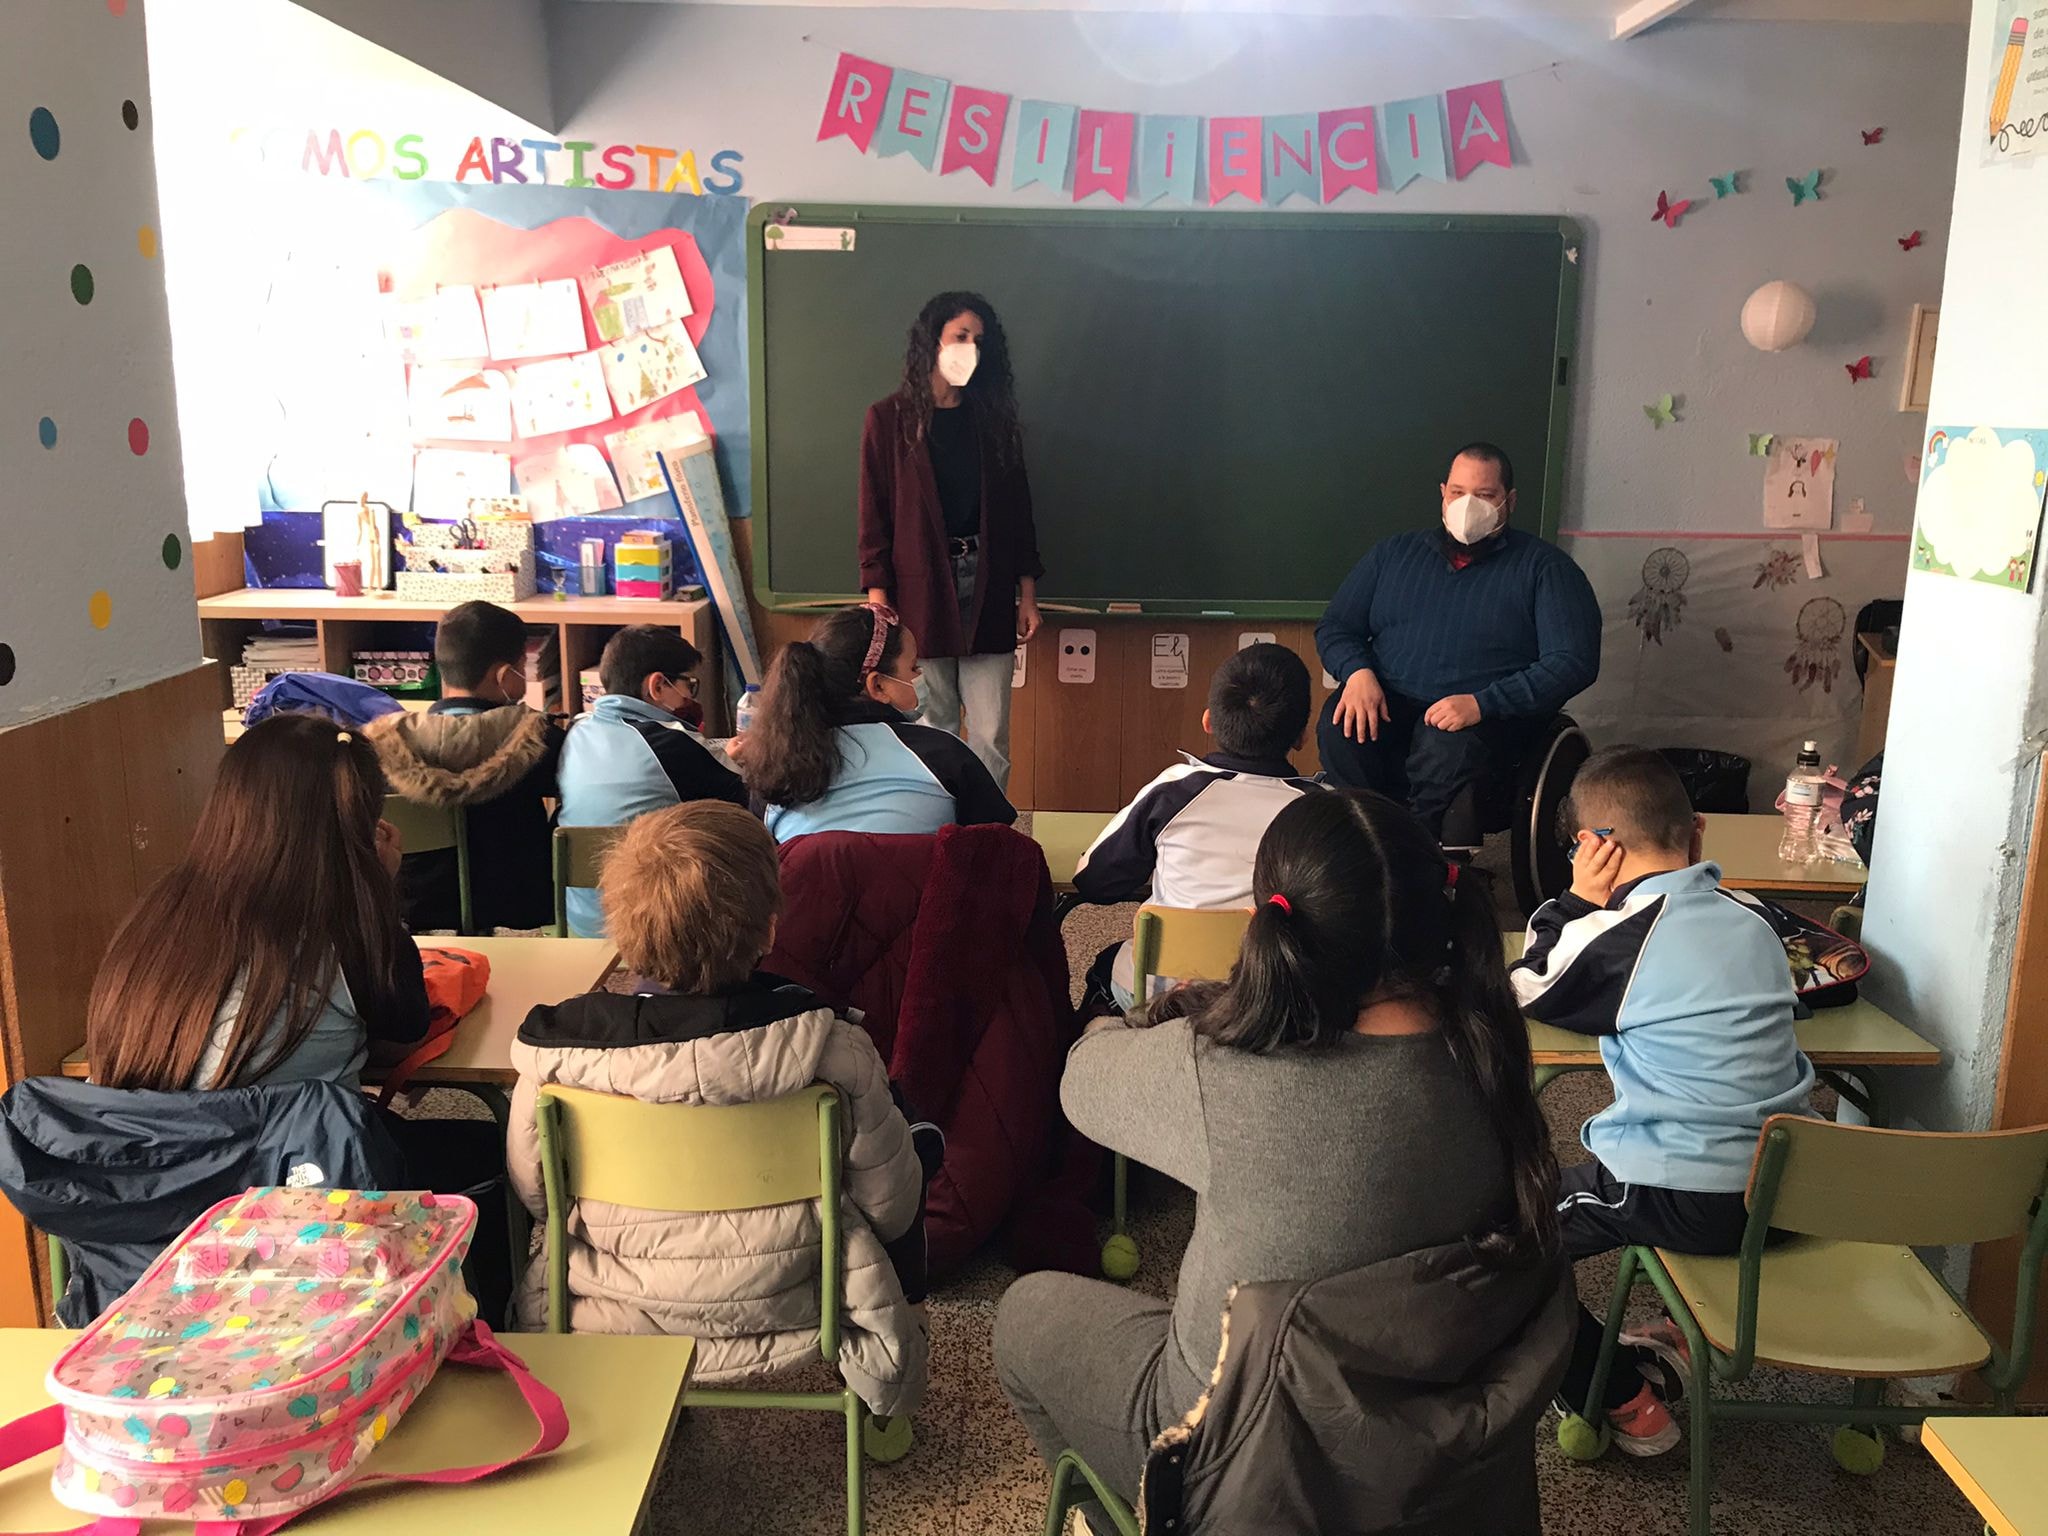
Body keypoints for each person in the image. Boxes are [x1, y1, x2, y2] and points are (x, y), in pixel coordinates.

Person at [996, 790, 1561, 1513]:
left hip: (1241, 1447)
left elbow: (1081, 1082)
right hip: (1436, 1447)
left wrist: (1164, 1016)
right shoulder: (1495, 1059)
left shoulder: (1224, 1072)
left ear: (1271, 927)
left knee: (1025, 1314)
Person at [506, 801, 932, 1419]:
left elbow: (537, 1196)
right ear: (769, 930)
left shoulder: (556, 1063)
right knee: (910, 1146)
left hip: (609, 1304)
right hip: (796, 1299)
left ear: (619, 932)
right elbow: (891, 1206)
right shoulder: (833, 1051)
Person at [81, 713, 511, 1322]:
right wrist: (379, 890)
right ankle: (471, 1332)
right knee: (486, 1145)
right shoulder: (342, 934)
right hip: (299, 1212)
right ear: (355, 828)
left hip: (153, 1216)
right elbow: (407, 1026)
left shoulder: (153, 921)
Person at [1510, 745, 1814, 1456]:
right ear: (1697, 830)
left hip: (1684, 1192)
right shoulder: (1757, 921)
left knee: (1502, 1234)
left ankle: (1618, 1393)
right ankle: (1674, 1336)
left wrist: (1576, 902)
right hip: (1793, 1192)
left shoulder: (1618, 936)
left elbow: (1526, 985)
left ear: (1592, 847)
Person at [1315, 442, 1601, 849]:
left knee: (1444, 746)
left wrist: (1484, 703)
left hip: (1485, 718)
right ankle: (1361, 840)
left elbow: (1573, 661)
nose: (1468, 505)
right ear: (1443, 494)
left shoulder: (1547, 569)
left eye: (1484, 495)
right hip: (1391, 700)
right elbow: (1337, 626)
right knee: (1340, 725)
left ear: (1509, 501)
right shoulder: (1392, 555)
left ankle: (1417, 853)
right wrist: (1357, 673)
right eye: (1458, 492)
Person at [1073, 642, 1324, 1014]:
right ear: (1303, 735)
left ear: (1208, 721)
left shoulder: (1174, 791)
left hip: (1167, 993)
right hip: (1274, 995)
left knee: (1106, 966)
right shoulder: (1322, 809)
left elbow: (1093, 880)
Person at [858, 291, 1043, 791]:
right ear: (932, 340)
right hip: (920, 587)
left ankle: (982, 830)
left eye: (979, 341)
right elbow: (874, 514)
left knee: (990, 734)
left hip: (988, 583)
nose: (970, 349)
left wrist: (1027, 594)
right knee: (931, 724)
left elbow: (1019, 514)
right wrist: (878, 603)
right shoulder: (889, 419)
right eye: (961, 336)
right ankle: (935, 820)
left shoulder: (993, 420)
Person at [366, 600, 563, 933]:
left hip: (419, 915)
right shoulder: (539, 738)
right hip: (518, 912)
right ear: (505, 676)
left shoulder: (384, 747)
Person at [743, 603, 1016, 843]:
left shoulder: (775, 768)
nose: (920, 676)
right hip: (919, 888)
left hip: (808, 888)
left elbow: (762, 861)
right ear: (878, 686)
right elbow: (996, 842)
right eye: (913, 668)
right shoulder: (944, 754)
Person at [556, 625, 746, 938]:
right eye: (688, 685)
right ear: (657, 686)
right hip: (651, 926)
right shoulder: (671, 743)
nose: (689, 696)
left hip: (580, 920)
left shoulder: (575, 731)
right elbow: (739, 806)